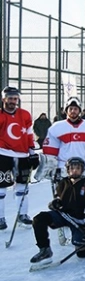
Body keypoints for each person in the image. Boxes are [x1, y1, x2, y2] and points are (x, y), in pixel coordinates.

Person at [30, 157, 85, 265]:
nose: (74, 170)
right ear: (68, 169)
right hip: (64, 216)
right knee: (39, 219)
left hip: (80, 221)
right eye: (72, 168)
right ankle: (44, 250)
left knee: (81, 253)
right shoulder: (63, 182)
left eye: (77, 168)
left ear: (82, 169)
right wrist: (55, 203)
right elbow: (58, 198)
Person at [0, 86, 39, 228]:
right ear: (4, 99)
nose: (13, 101)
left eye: (15, 98)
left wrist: (32, 152)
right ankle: (0, 218)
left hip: (22, 155)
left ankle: (22, 214)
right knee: (1, 188)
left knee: (22, 187)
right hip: (3, 154)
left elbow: (29, 134)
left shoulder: (25, 115)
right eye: (10, 98)